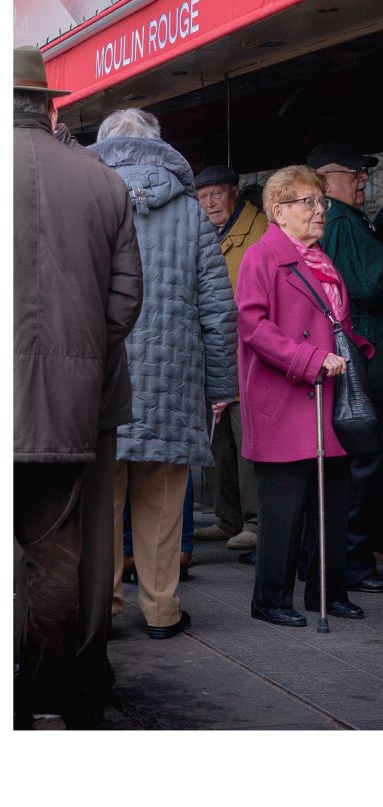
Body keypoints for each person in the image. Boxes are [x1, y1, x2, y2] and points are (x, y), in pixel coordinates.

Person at [13, 47, 143, 729]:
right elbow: (126, 304)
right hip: (70, 403)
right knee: (58, 553)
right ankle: (42, 693)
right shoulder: (101, 181)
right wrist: (81, 360)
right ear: (49, 103)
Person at [90, 109, 238, 639]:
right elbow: (219, 309)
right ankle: (161, 609)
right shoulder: (192, 213)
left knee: (101, 502)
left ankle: (101, 608)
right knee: (163, 501)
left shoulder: (91, 200)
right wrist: (222, 388)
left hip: (105, 375)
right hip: (174, 378)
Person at [236, 165, 375, 627]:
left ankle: (327, 592)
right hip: (286, 396)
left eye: (321, 201)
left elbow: (333, 322)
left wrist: (358, 352)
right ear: (279, 211)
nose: (319, 211)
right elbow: (254, 327)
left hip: (327, 395)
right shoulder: (262, 256)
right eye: (308, 202)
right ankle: (270, 599)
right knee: (284, 509)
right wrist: (309, 360)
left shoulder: (320, 257)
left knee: (331, 503)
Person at [306, 142, 383, 594]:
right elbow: (368, 284)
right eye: (355, 173)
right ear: (327, 179)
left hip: (348, 357)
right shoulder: (342, 220)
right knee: (361, 466)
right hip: (362, 359)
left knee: (346, 466)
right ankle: (355, 565)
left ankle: (334, 560)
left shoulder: (325, 219)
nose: (363, 180)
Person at [193, 165, 268, 553]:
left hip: (246, 354)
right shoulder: (209, 233)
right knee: (219, 442)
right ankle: (227, 518)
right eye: (203, 198)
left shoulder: (259, 233)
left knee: (245, 440)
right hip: (217, 354)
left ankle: (255, 521)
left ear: (234, 193)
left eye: (216, 195)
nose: (209, 204)